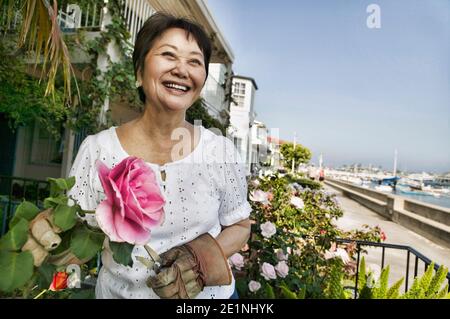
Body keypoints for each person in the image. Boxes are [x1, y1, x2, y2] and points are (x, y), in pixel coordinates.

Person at [67, 13, 252, 299]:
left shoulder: (220, 152)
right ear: (139, 72)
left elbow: (240, 225)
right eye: (168, 55)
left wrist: (198, 260)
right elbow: (77, 236)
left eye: (194, 61)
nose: (182, 69)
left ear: (201, 82)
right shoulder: (98, 151)